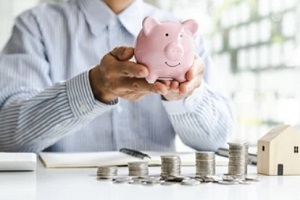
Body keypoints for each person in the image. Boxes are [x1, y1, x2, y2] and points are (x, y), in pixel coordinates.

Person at [0, 0, 234, 152]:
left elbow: (215, 140)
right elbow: (7, 138)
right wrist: (93, 88)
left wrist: (184, 96)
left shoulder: (183, 34)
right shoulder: (35, 26)